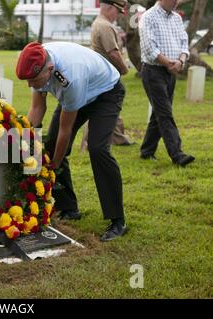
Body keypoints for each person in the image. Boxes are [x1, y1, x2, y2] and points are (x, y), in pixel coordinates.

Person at [16, 41, 127, 241]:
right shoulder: (38, 60)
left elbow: (65, 132)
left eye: (33, 80)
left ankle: (118, 221)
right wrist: (25, 141)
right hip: (78, 95)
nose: (29, 85)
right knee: (49, 147)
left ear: (49, 70)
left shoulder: (70, 78)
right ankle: (69, 208)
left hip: (106, 93)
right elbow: (37, 110)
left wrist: (54, 165)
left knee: (97, 148)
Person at [138, 0, 195, 166]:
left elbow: (184, 43)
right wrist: (169, 63)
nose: (177, 2)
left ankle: (146, 151)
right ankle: (177, 154)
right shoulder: (148, 17)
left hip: (172, 71)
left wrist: (180, 61)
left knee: (159, 113)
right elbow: (150, 48)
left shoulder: (177, 18)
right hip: (153, 71)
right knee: (164, 113)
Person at [90, 0, 134, 146]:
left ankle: (118, 138)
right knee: (103, 109)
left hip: (102, 75)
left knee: (107, 108)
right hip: (106, 76)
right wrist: (124, 69)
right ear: (109, 7)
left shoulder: (100, 23)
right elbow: (113, 53)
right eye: (117, 11)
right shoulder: (105, 25)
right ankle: (89, 143)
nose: (118, 15)